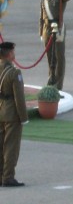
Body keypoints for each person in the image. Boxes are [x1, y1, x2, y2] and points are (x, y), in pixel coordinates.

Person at [0, 41, 28, 187]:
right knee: (11, 147)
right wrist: (24, 118)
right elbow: (19, 97)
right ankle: (8, 177)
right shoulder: (14, 72)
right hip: (11, 114)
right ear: (10, 54)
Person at [39, 0, 73, 90]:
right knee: (50, 57)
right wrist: (41, 33)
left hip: (58, 29)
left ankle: (58, 85)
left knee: (59, 57)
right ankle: (51, 78)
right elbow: (41, 18)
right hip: (47, 30)